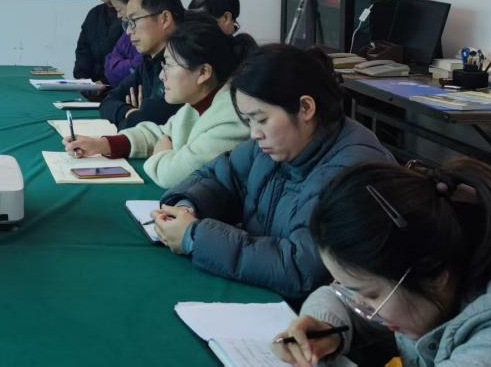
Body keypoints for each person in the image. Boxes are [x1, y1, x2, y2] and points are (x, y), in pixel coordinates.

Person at [273, 159, 491, 367]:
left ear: (434, 273)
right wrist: (324, 325)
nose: (363, 306)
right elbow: (344, 295)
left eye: (371, 295)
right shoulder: (445, 256)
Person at [153, 44, 394, 301]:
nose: (254, 133)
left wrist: (196, 237)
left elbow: (303, 268)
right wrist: (188, 207)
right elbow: (220, 178)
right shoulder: (276, 146)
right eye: (248, 121)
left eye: (261, 119)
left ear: (305, 108)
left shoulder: (352, 169)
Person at [66, 11, 256, 188]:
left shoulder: (232, 117)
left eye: (169, 66)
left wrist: (162, 153)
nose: (161, 76)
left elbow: (174, 175)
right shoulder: (197, 104)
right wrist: (102, 145)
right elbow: (159, 133)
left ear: (203, 72)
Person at [99, 0, 185, 129]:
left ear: (165, 19)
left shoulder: (183, 64)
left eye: (134, 21)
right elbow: (107, 101)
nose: (128, 31)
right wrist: (129, 112)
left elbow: (145, 124)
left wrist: (137, 118)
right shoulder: (148, 61)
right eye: (127, 23)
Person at [73, 0, 127, 82]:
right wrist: (83, 80)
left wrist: (105, 82)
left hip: (119, 84)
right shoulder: (94, 13)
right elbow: (83, 50)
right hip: (92, 83)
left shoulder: (130, 15)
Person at [102, 0, 145, 87]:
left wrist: (121, 64)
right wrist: (128, 64)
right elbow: (109, 66)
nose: (118, 15)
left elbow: (139, 66)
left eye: (119, 9)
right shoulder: (126, 28)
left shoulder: (146, 30)